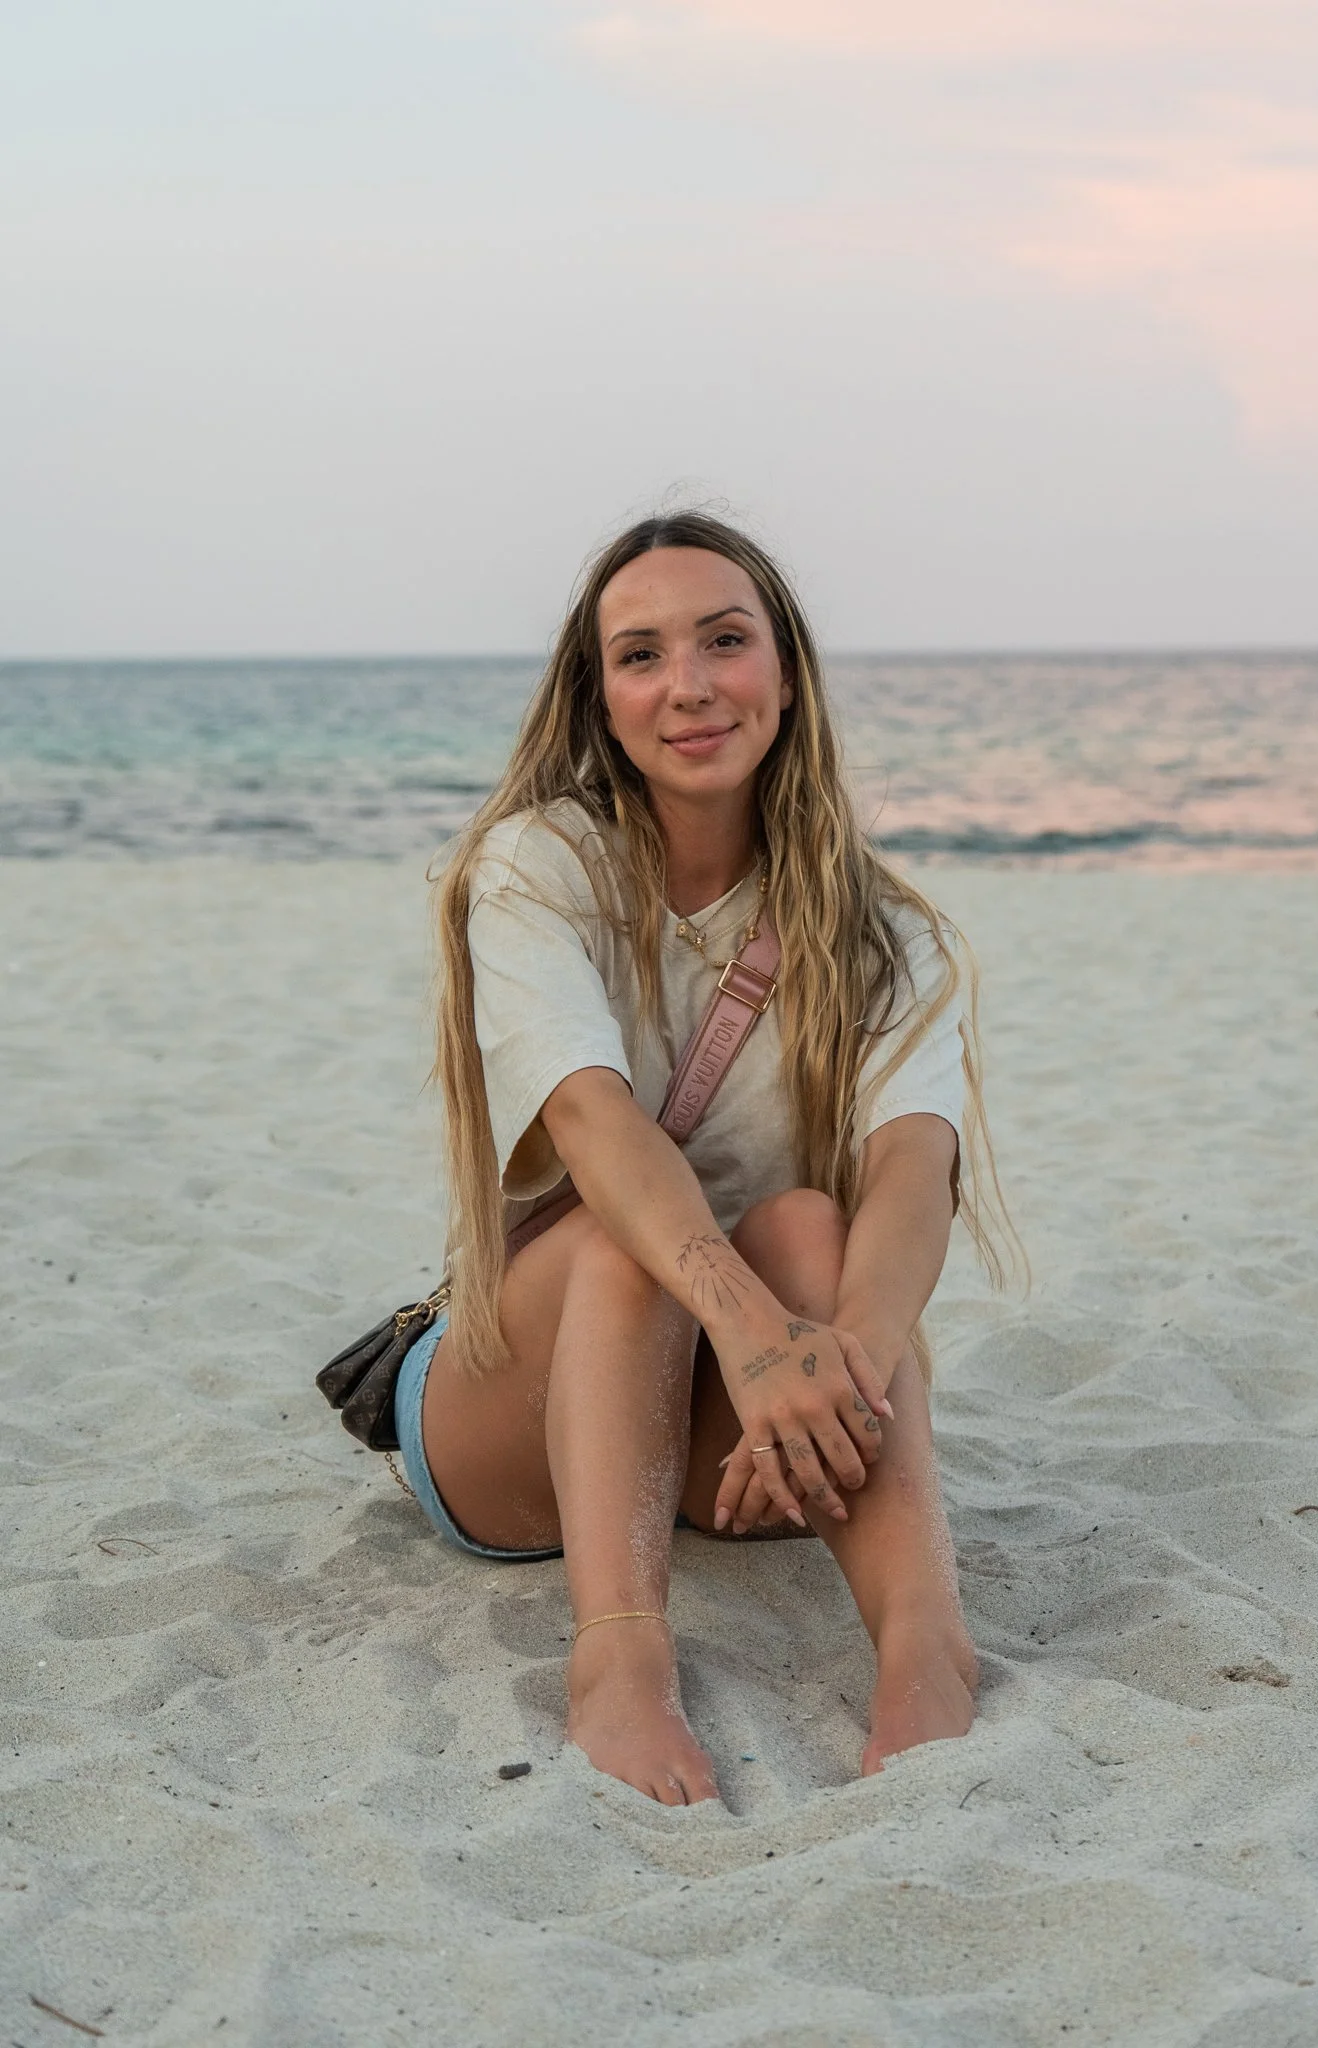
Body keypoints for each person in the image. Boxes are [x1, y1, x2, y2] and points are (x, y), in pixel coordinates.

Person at [394, 511, 1011, 1806]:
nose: (688, 684)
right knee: (633, 1243)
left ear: (785, 671)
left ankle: (926, 1645)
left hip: (743, 1444)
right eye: (640, 654)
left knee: (804, 1225)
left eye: (725, 640)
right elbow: (592, 1123)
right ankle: (618, 1662)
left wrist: (833, 1359)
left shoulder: (889, 935)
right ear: (599, 698)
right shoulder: (535, 866)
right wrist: (750, 1329)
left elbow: (914, 1167)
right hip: (518, 1418)